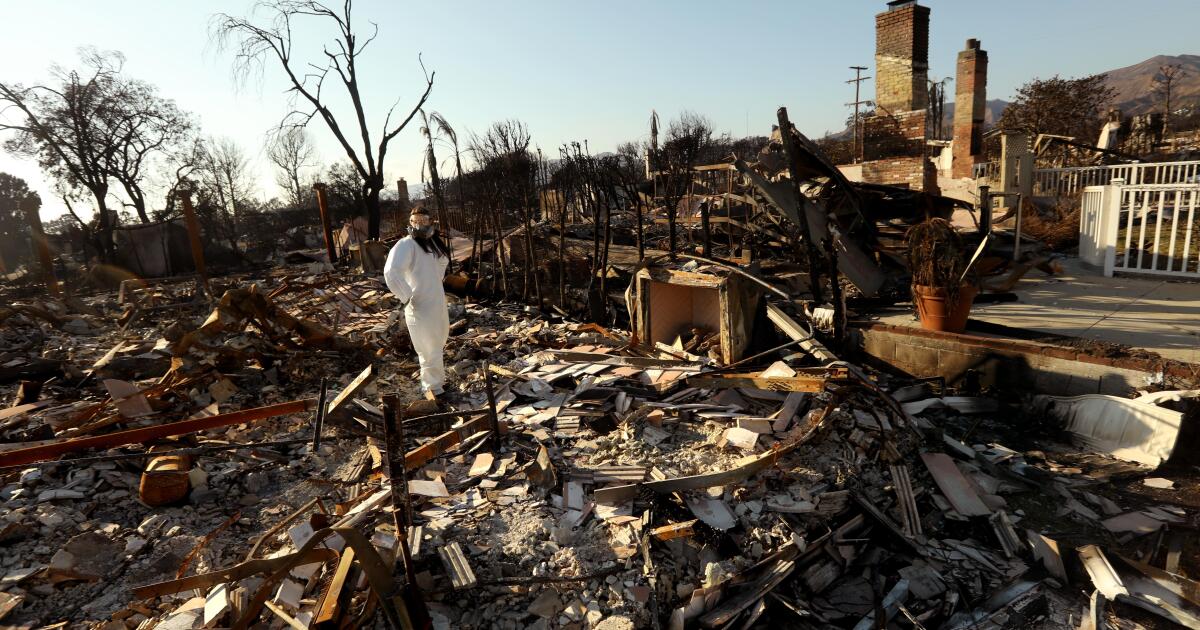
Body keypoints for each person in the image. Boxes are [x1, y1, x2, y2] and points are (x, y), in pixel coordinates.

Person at [383, 208, 452, 396]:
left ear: (431, 222)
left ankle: (438, 381)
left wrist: (433, 285)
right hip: (420, 305)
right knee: (428, 346)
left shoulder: (433, 245)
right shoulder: (406, 245)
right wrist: (407, 295)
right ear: (410, 223)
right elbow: (392, 271)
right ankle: (432, 387)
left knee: (438, 343)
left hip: (436, 301)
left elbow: (438, 269)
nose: (420, 225)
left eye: (424, 220)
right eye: (416, 221)